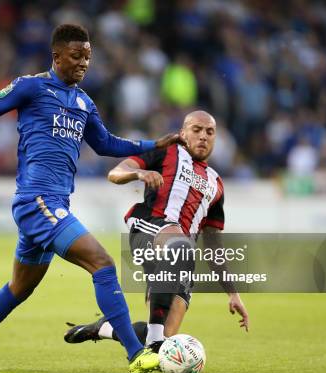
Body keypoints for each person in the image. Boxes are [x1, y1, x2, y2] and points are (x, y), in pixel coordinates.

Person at [0, 24, 182, 373]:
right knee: (103, 263)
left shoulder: (83, 102)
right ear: (57, 56)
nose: (84, 63)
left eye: (88, 57)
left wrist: (152, 145)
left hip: (50, 205)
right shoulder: (31, 87)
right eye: (77, 56)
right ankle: (135, 354)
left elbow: (106, 143)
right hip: (37, 200)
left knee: (18, 288)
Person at [64, 110, 249, 352]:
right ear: (183, 133)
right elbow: (115, 173)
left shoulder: (217, 185)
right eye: (197, 130)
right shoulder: (167, 151)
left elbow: (214, 246)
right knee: (181, 248)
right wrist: (139, 173)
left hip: (182, 257)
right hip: (150, 229)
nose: (203, 136)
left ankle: (106, 328)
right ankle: (152, 338)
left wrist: (233, 293)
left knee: (164, 344)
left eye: (210, 132)